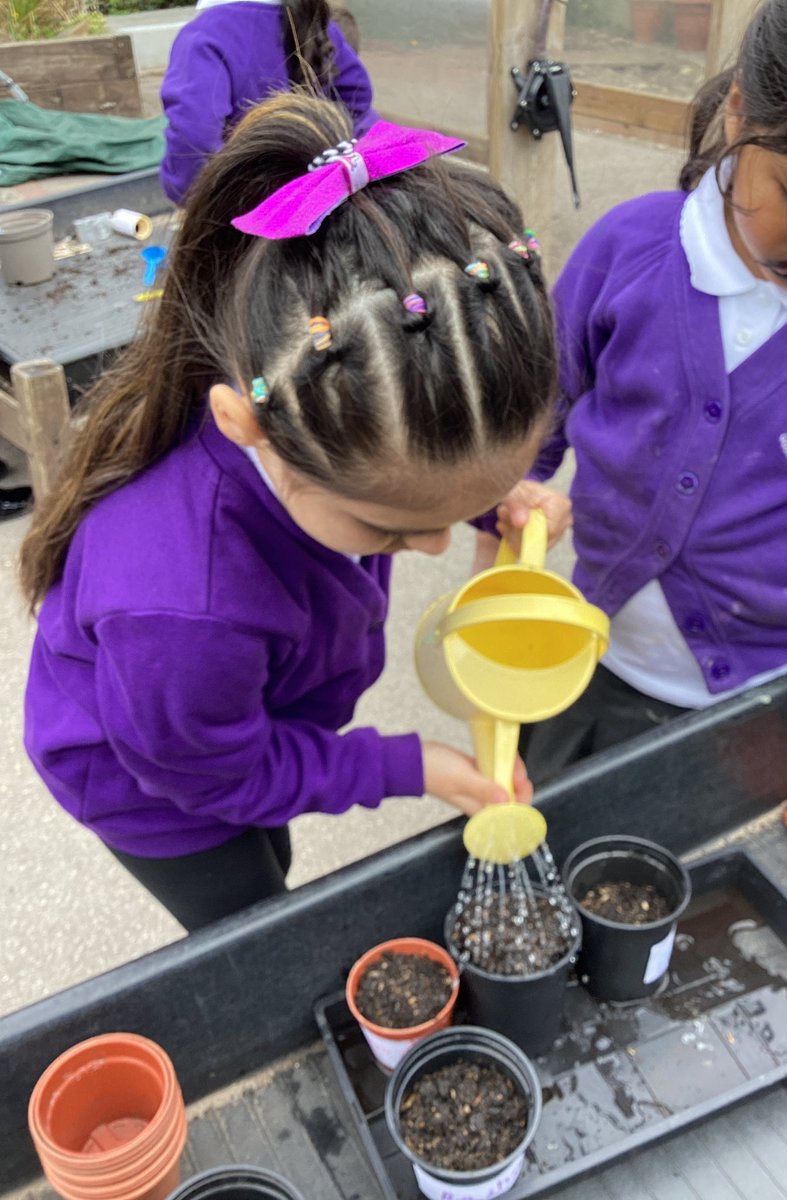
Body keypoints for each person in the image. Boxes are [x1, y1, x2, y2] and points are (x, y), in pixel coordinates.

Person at [18, 92, 567, 932]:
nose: (431, 547)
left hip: (219, 720)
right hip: (158, 791)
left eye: (468, 505)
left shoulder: (337, 419)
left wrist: (497, 504)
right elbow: (211, 776)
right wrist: (398, 764)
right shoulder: (182, 608)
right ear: (249, 428)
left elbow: (417, 480)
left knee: (264, 838)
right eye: (388, 529)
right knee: (248, 910)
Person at [518, 0, 787, 784]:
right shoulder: (627, 250)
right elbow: (535, 409)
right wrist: (516, 490)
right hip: (593, 658)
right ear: (737, 113)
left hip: (772, 693)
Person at [159, 0, 378, 205]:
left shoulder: (204, 36)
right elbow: (357, 101)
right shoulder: (317, 24)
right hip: (322, 203)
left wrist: (188, 196)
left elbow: (193, 140)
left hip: (246, 214)